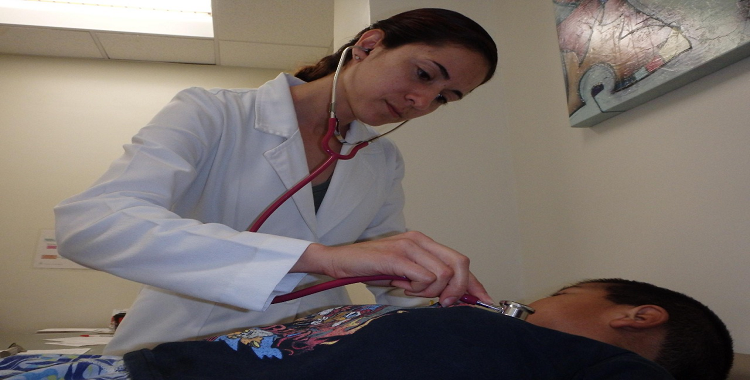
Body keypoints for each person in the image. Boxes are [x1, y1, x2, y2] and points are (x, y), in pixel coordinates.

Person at [53, 8, 498, 355]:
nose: (421, 101)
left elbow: (385, 265)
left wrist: (445, 297)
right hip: (181, 343)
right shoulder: (213, 113)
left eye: (444, 98)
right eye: (423, 74)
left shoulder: (381, 158)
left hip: (310, 350)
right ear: (368, 45)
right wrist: (320, 258)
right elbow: (92, 223)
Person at [121, 278, 734, 380]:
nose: (533, 301)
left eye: (560, 296)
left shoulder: (571, 359)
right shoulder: (494, 334)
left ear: (636, 318)